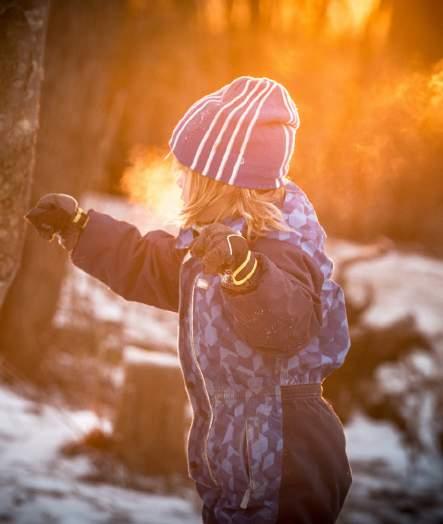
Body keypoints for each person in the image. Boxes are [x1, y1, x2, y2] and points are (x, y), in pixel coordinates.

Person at [25, 76, 353, 523]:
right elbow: (145, 262)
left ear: (220, 182)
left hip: (288, 460)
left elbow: (288, 323)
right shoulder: (208, 248)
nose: (178, 180)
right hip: (238, 458)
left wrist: (245, 274)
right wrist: (80, 227)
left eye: (187, 172)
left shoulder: (282, 248)